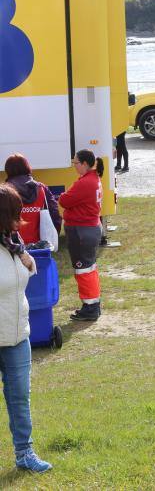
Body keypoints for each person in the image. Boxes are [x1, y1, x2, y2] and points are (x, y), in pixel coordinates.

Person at [0, 185, 52, 473]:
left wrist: (27, 260)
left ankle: (24, 454)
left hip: (18, 334)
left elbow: (27, 274)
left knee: (19, 397)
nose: (20, 218)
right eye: (15, 212)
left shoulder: (14, 242)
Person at [59, 149, 104, 321]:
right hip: (88, 229)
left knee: (83, 269)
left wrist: (65, 198)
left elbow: (64, 200)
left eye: (76, 163)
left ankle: (90, 308)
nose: (74, 166)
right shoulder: (93, 179)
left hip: (82, 232)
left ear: (85, 164)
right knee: (89, 268)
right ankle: (93, 305)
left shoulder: (85, 183)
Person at [4, 154, 62, 245]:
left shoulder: (5, 191)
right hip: (40, 245)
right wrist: (54, 235)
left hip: (13, 246)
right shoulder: (41, 188)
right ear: (27, 167)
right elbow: (55, 214)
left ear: (8, 170)